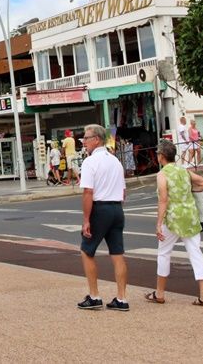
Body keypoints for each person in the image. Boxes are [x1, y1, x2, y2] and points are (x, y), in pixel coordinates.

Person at [146, 140, 203, 307]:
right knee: (196, 253)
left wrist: (158, 223)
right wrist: (191, 191)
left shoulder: (162, 175)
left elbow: (163, 200)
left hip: (172, 219)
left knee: (164, 253)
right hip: (190, 217)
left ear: (161, 156)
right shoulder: (184, 171)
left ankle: (160, 293)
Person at [76, 124, 129, 311]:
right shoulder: (115, 161)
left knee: (87, 250)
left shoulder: (90, 162)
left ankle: (94, 295)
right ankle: (122, 298)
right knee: (117, 253)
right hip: (116, 209)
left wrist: (86, 219)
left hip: (100, 208)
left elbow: (88, 192)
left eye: (86, 138)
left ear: (96, 139)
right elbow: (123, 192)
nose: (84, 141)